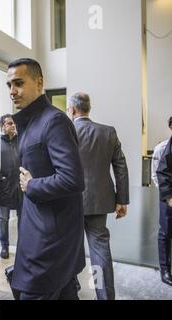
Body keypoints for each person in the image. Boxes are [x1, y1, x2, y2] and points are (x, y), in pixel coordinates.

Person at [9, 58, 85, 300]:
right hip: (39, 229)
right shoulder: (31, 122)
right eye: (9, 85)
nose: (12, 91)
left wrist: (32, 185)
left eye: (19, 83)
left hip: (49, 241)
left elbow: (73, 178)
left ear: (39, 83)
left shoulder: (54, 121)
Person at [67, 92, 129, 300]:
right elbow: (120, 167)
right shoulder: (108, 132)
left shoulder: (66, 132)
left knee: (69, 250)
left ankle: (71, 290)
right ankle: (104, 296)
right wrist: (121, 200)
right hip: (99, 202)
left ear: (73, 110)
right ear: (88, 109)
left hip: (69, 202)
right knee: (99, 253)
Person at [0, 114, 22, 260]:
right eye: (9, 123)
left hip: (21, 186)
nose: (13, 126)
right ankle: (4, 247)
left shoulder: (21, 141)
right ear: (2, 126)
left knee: (23, 218)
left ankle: (23, 247)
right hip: (3, 187)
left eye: (14, 123)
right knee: (3, 219)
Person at [156, 117, 172, 286]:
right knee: (166, 233)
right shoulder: (163, 148)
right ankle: (165, 270)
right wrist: (168, 197)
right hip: (168, 197)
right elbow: (159, 173)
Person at [152, 117, 172, 188]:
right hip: (167, 194)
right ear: (171, 127)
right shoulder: (160, 149)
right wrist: (167, 196)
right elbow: (155, 174)